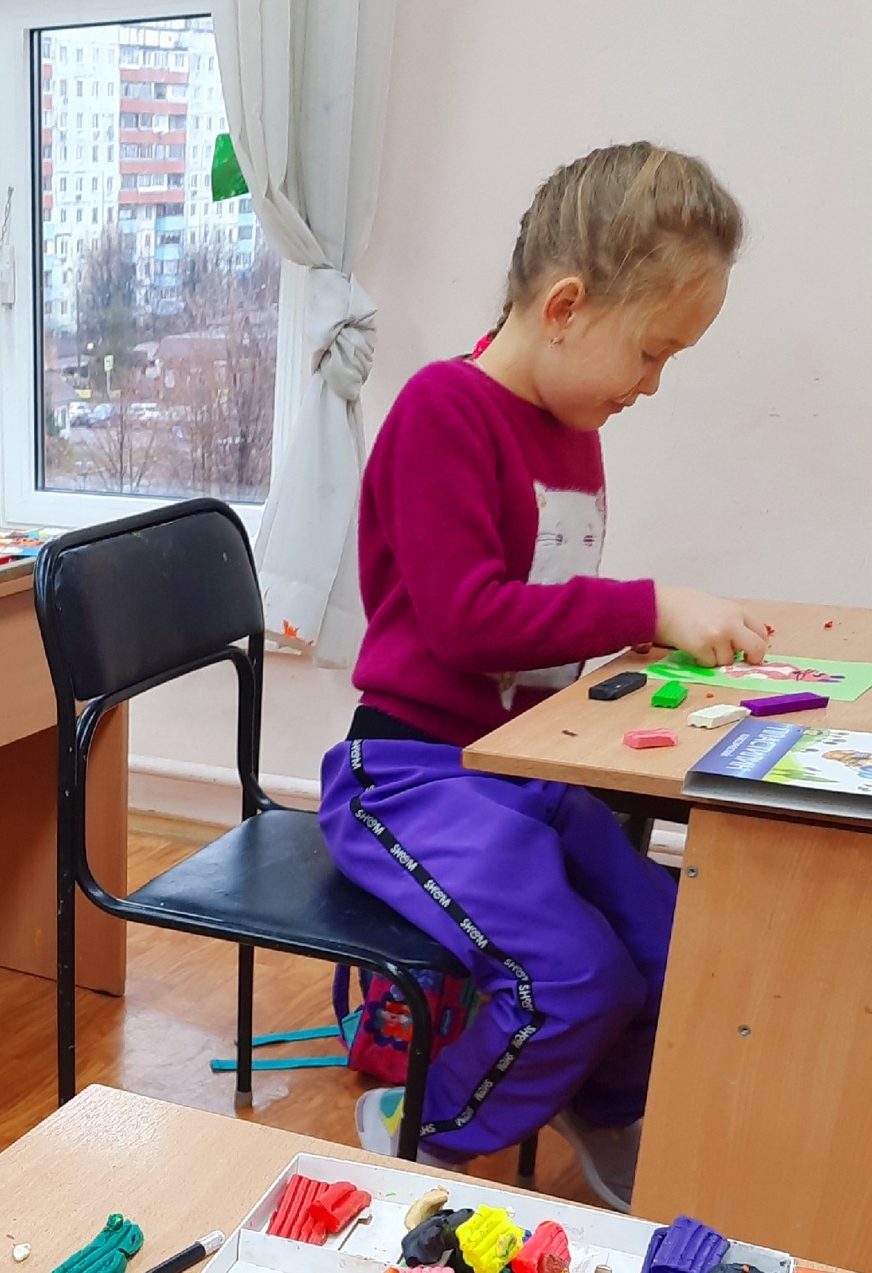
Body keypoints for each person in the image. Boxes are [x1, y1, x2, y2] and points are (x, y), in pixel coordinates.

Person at [319, 142, 767, 1209]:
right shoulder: (442, 410)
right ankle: (425, 1129)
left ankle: (597, 1105)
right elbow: (469, 620)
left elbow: (546, 622)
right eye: (650, 353)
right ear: (565, 307)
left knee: (674, 946)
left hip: (523, 770)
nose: (651, 386)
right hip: (410, 776)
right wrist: (647, 607)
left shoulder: (571, 424)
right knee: (569, 975)